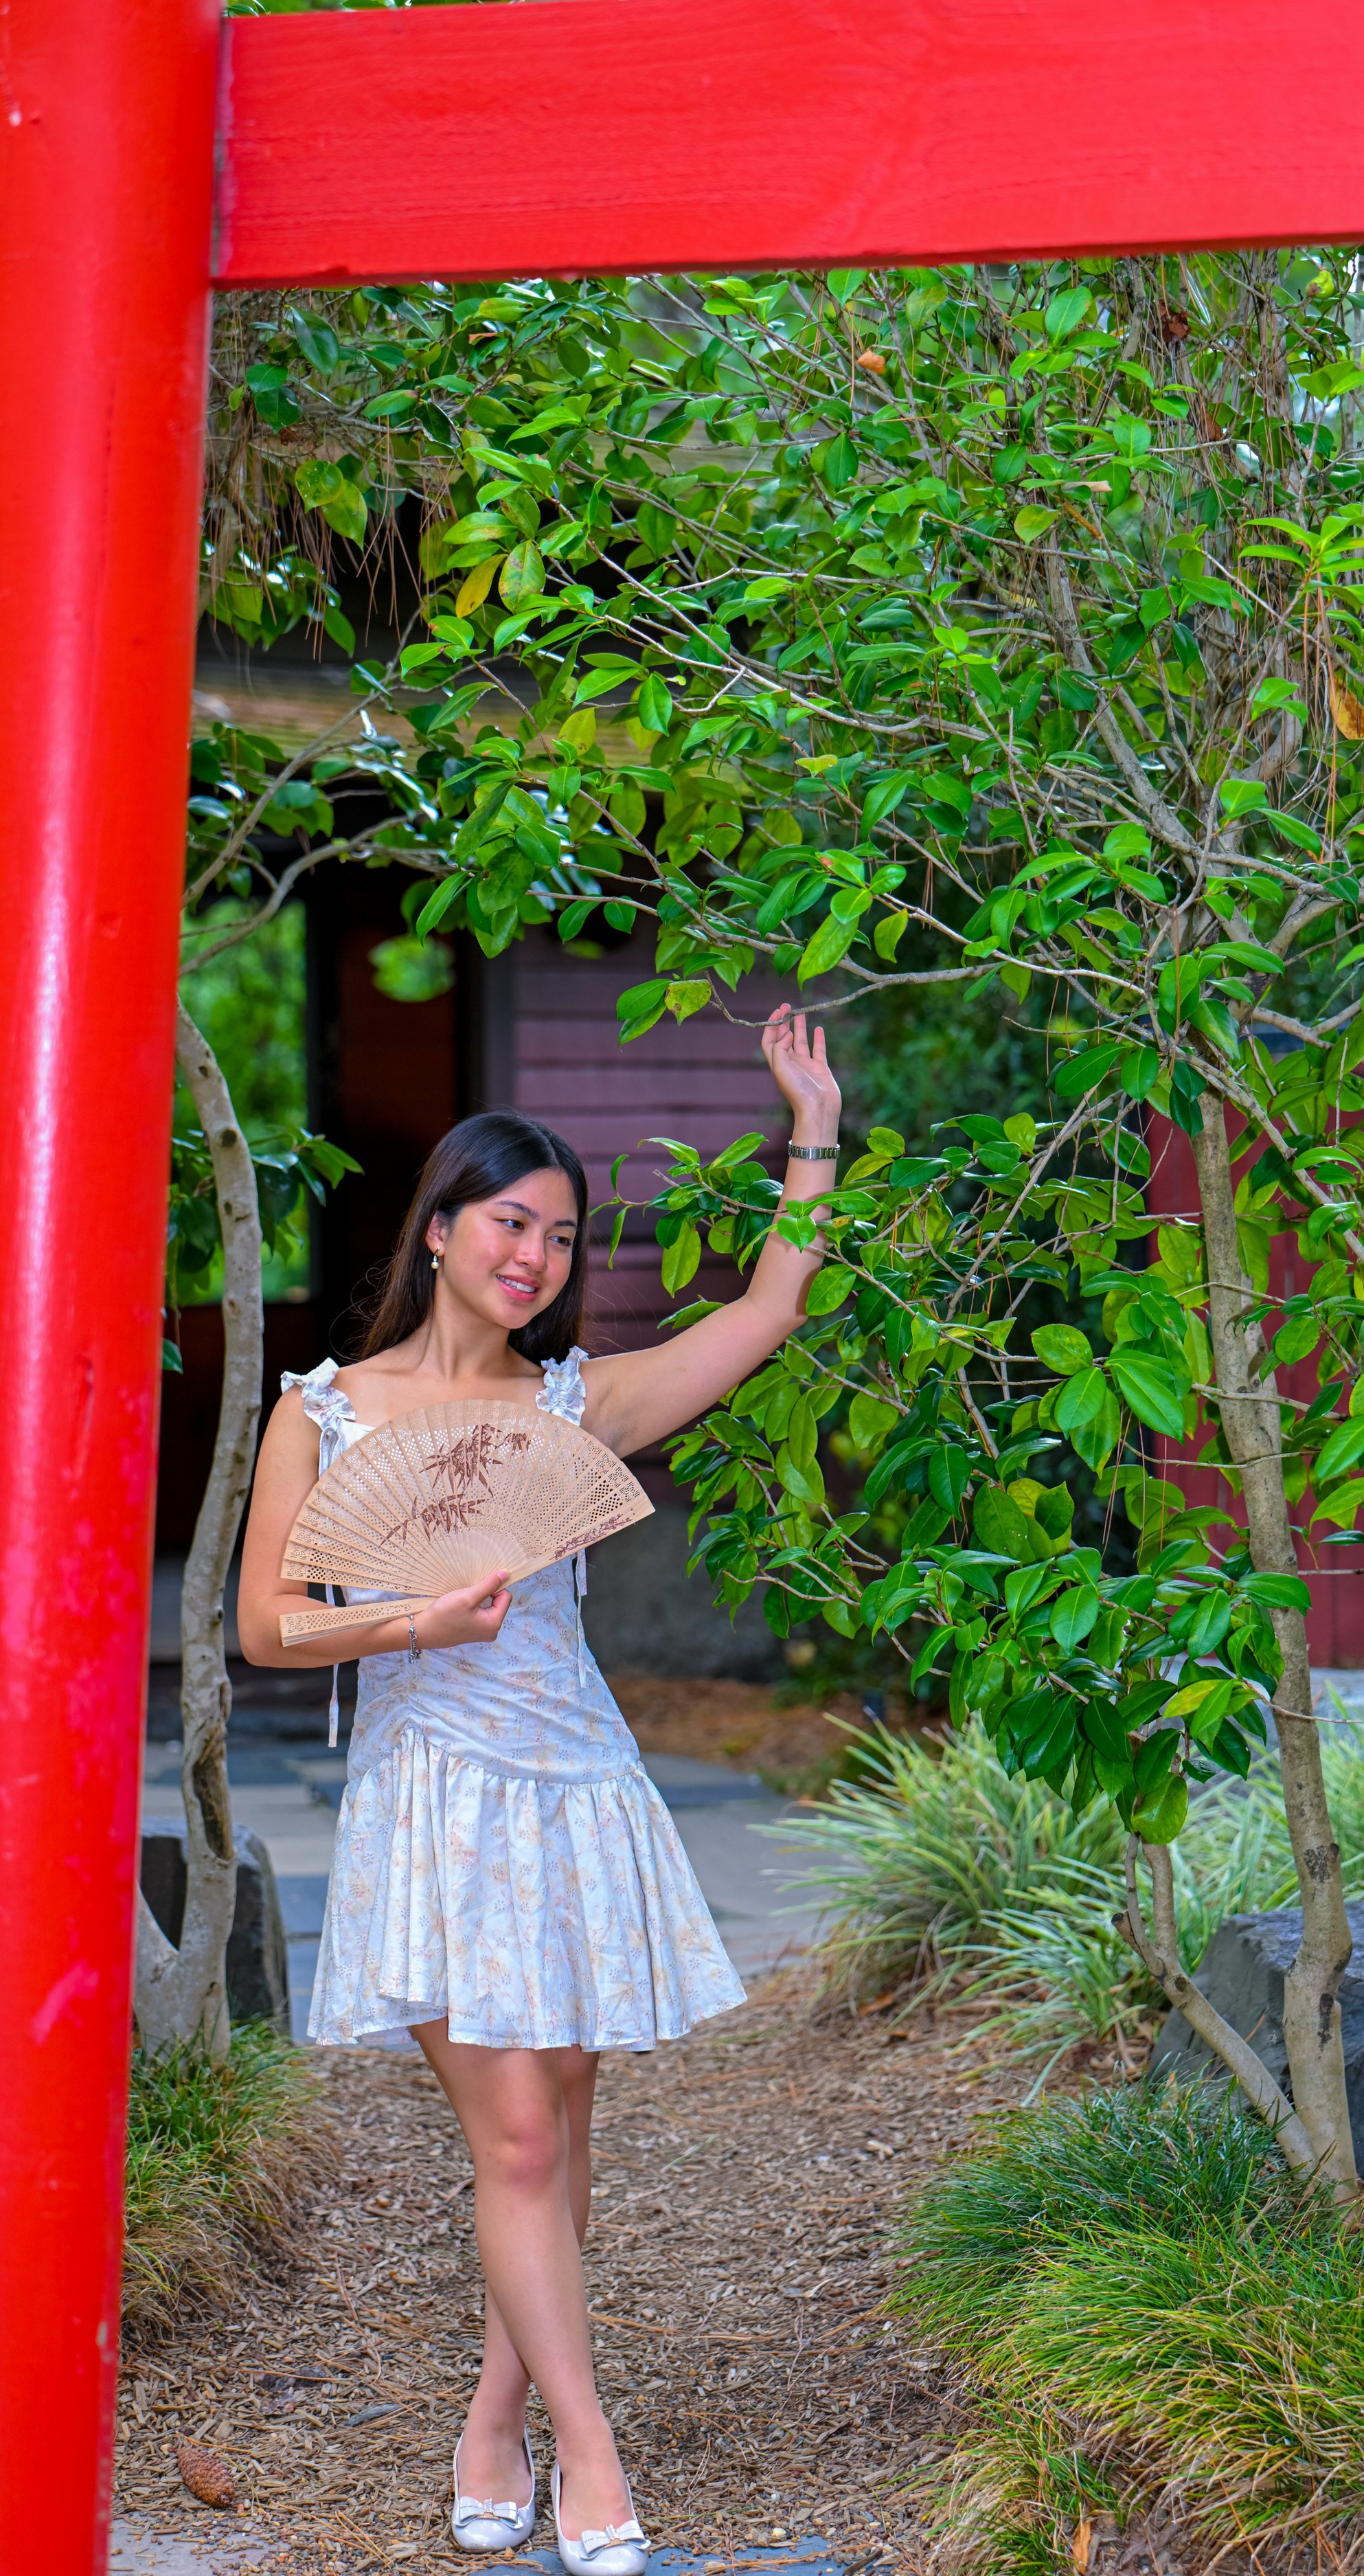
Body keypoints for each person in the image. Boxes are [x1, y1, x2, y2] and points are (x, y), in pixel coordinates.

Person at [237, 1006, 841, 2571]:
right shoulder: (326, 1411)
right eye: (511, 1224)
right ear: (442, 1231)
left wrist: (810, 1134)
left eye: (562, 1240)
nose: (536, 1259)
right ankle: (592, 2454)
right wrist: (414, 1619)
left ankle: (493, 2418)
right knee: (511, 2141)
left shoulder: (574, 1407)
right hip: (433, 1798)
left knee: (559, 2129)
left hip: (577, 1793)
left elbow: (766, 1311)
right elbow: (265, 1627)